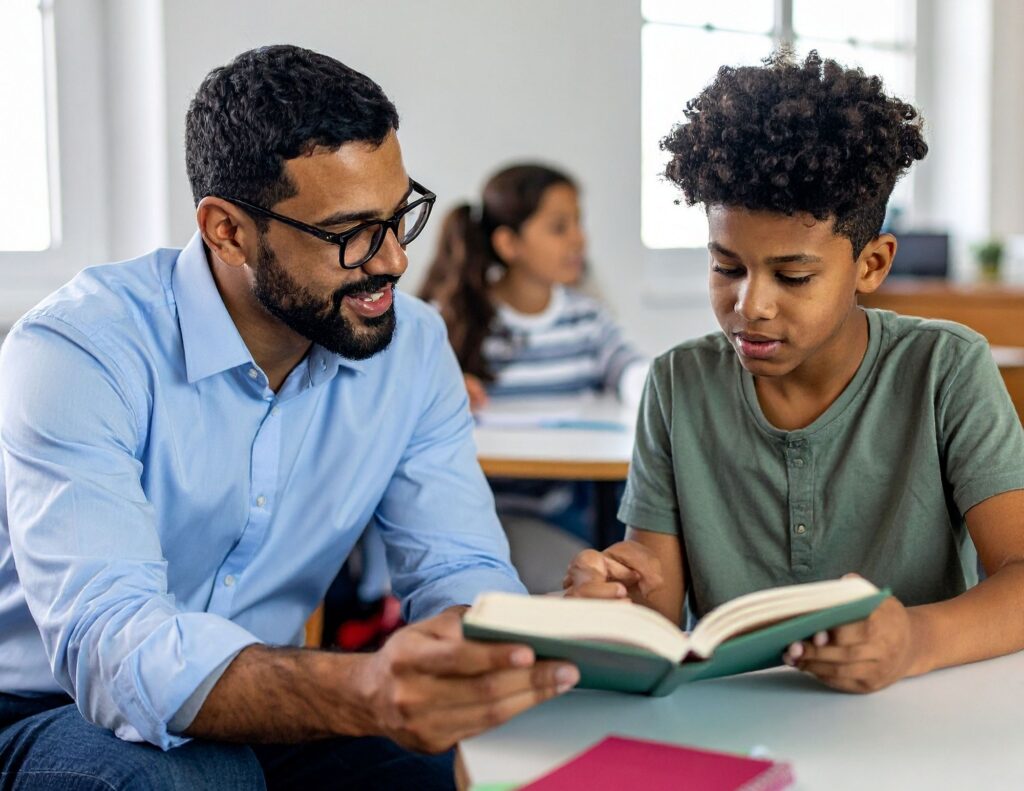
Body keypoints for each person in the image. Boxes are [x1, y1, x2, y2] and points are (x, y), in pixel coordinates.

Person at [0, 45, 579, 790]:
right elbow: (112, 648)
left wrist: (521, 644)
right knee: (192, 780)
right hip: (45, 704)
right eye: (351, 234)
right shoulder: (80, 348)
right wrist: (364, 688)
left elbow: (455, 564)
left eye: (400, 215)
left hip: (264, 700)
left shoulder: (414, 345)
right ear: (227, 231)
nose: (395, 261)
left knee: (466, 767)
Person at [563, 51, 1024, 693]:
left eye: (794, 276)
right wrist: (616, 598)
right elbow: (658, 612)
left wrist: (914, 640)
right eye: (726, 267)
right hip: (728, 722)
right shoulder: (677, 384)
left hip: (908, 713)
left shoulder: (945, 367)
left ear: (872, 264)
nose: (750, 305)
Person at [418, 164, 647, 589]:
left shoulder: (587, 317)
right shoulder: (458, 319)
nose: (579, 239)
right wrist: (441, 385)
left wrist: (647, 384)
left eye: (579, 223)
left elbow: (630, 368)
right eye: (559, 227)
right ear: (509, 243)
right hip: (478, 508)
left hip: (563, 504)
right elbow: (405, 385)